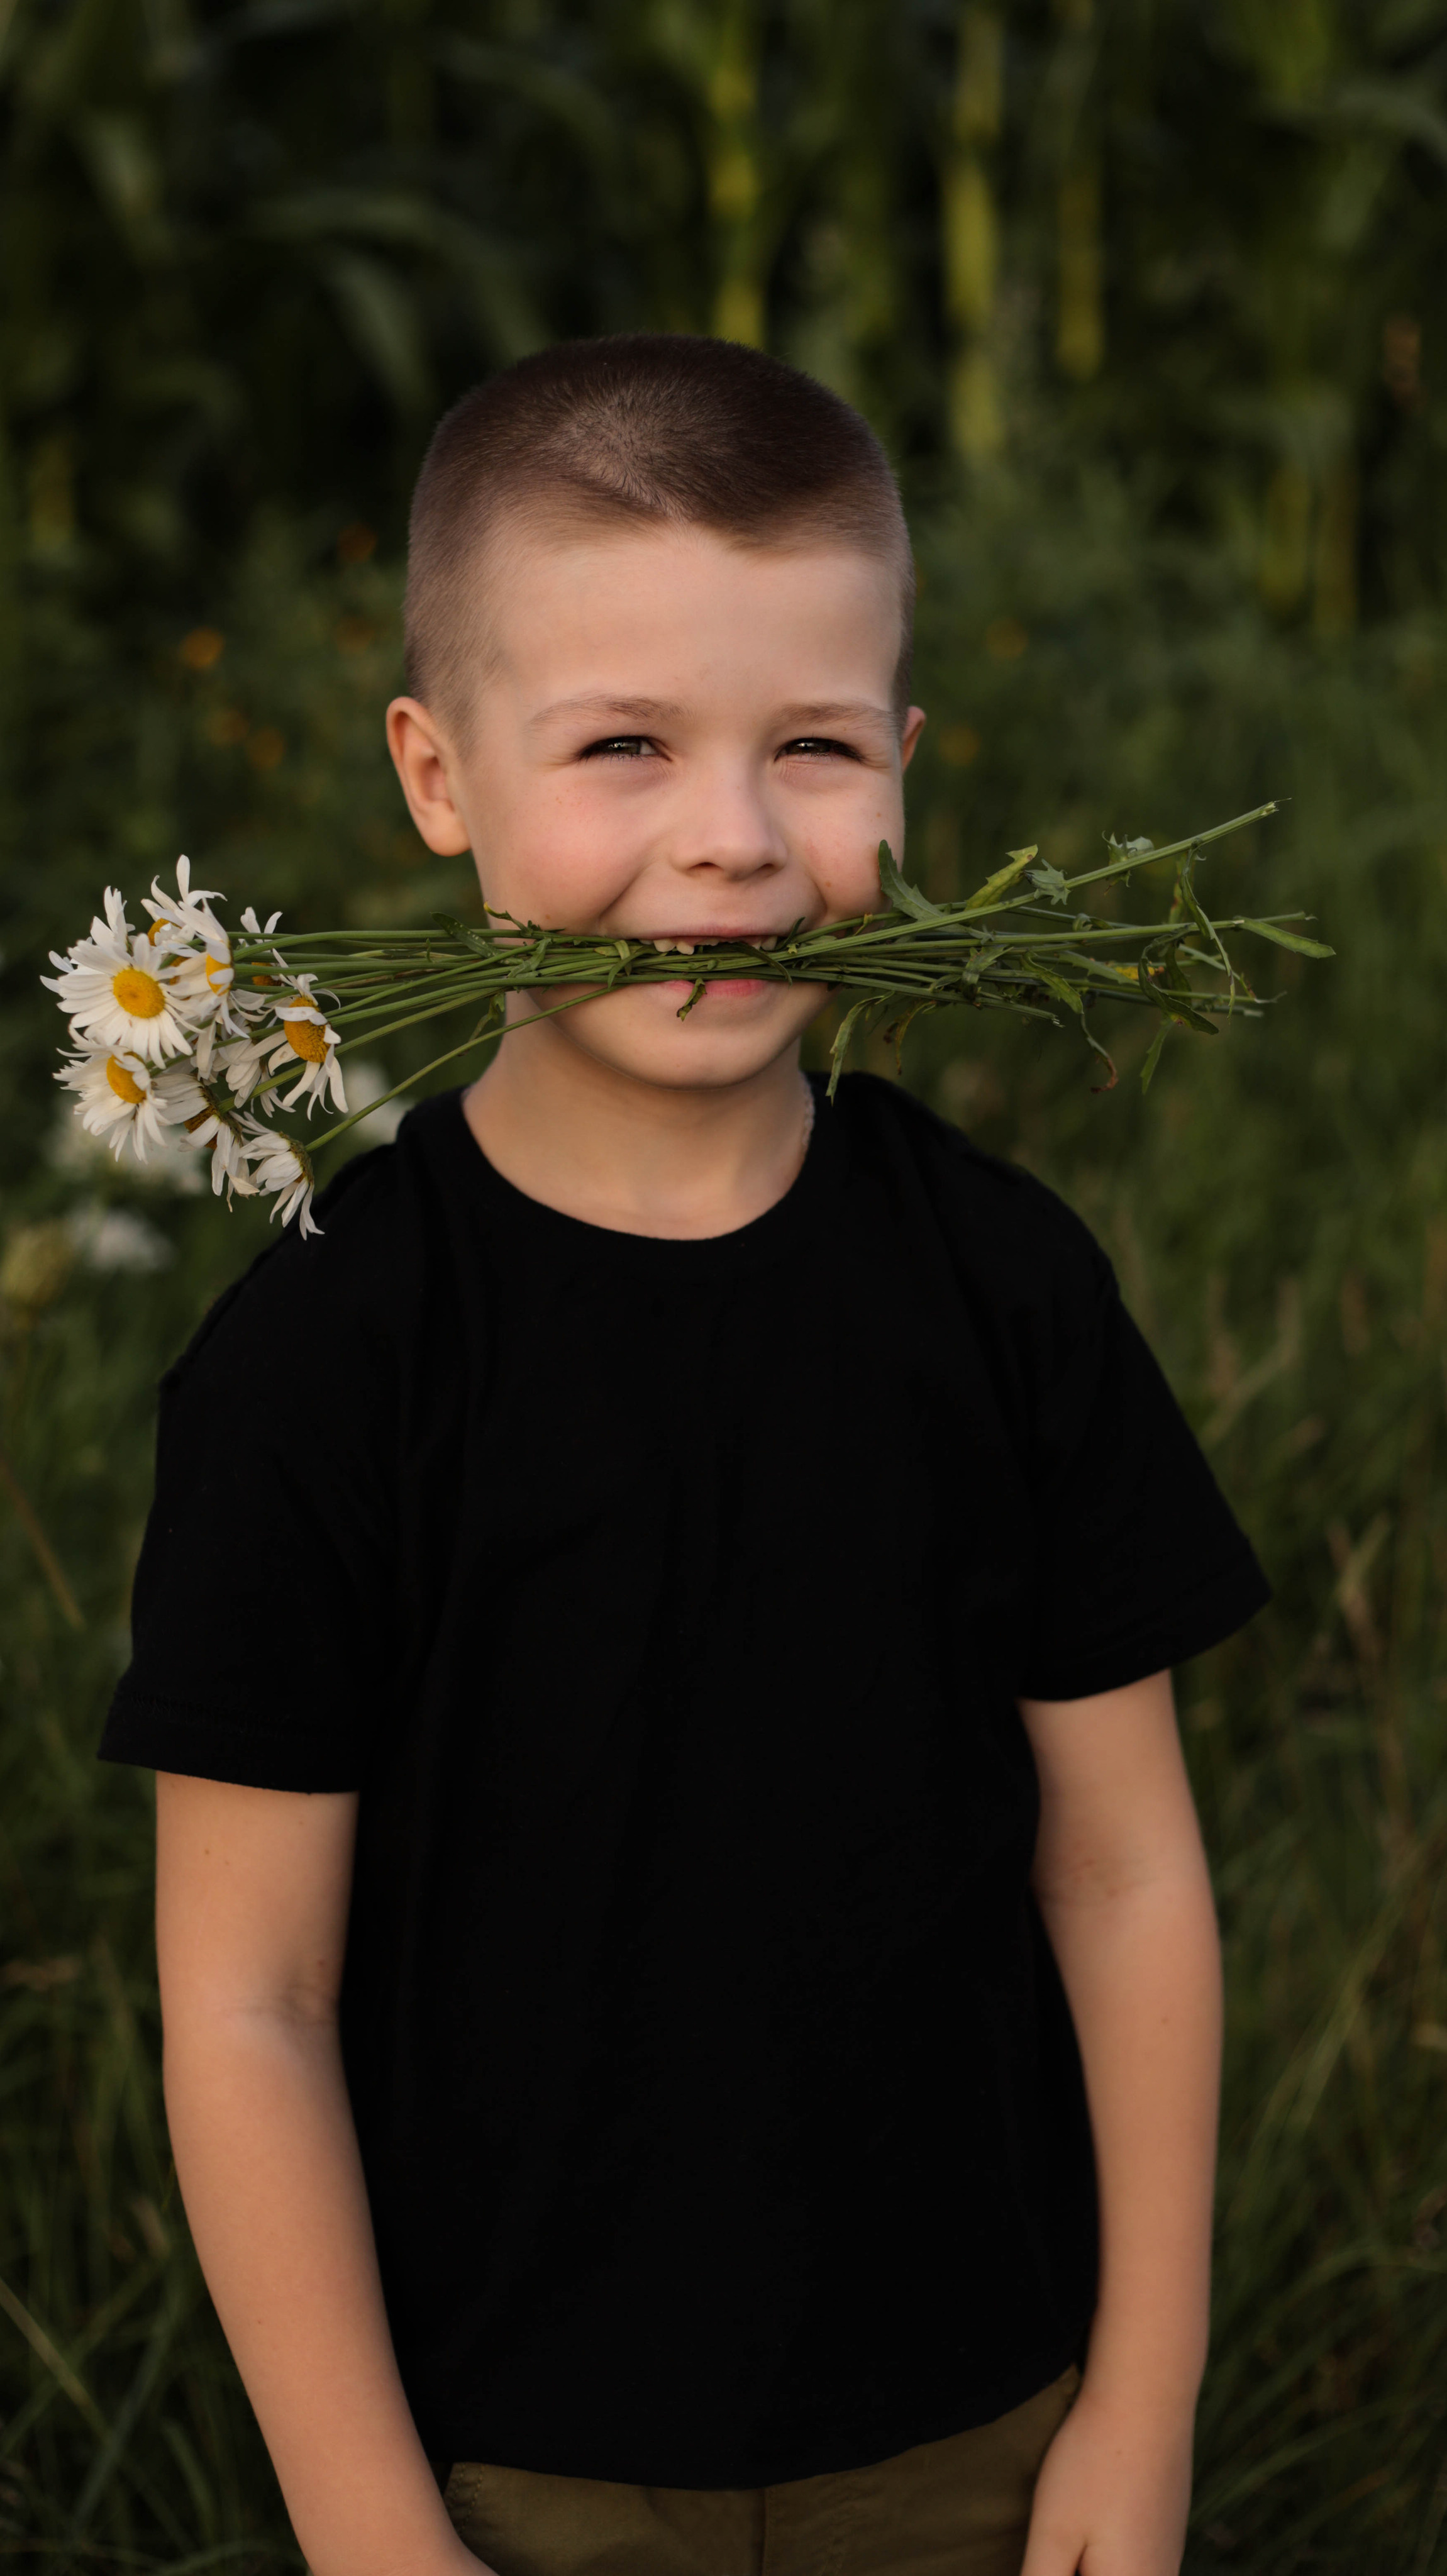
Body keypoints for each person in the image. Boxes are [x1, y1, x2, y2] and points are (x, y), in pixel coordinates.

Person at [101, 335, 1270, 2576]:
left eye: (812, 746)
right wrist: (371, 2528)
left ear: (908, 765)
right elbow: (251, 1998)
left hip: (979, 2422)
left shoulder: (1000, 1284)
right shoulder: (329, 1356)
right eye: (623, 744)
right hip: (514, 2459)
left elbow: (1123, 1872)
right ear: (437, 777)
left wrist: (1139, 2403)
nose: (731, 837)